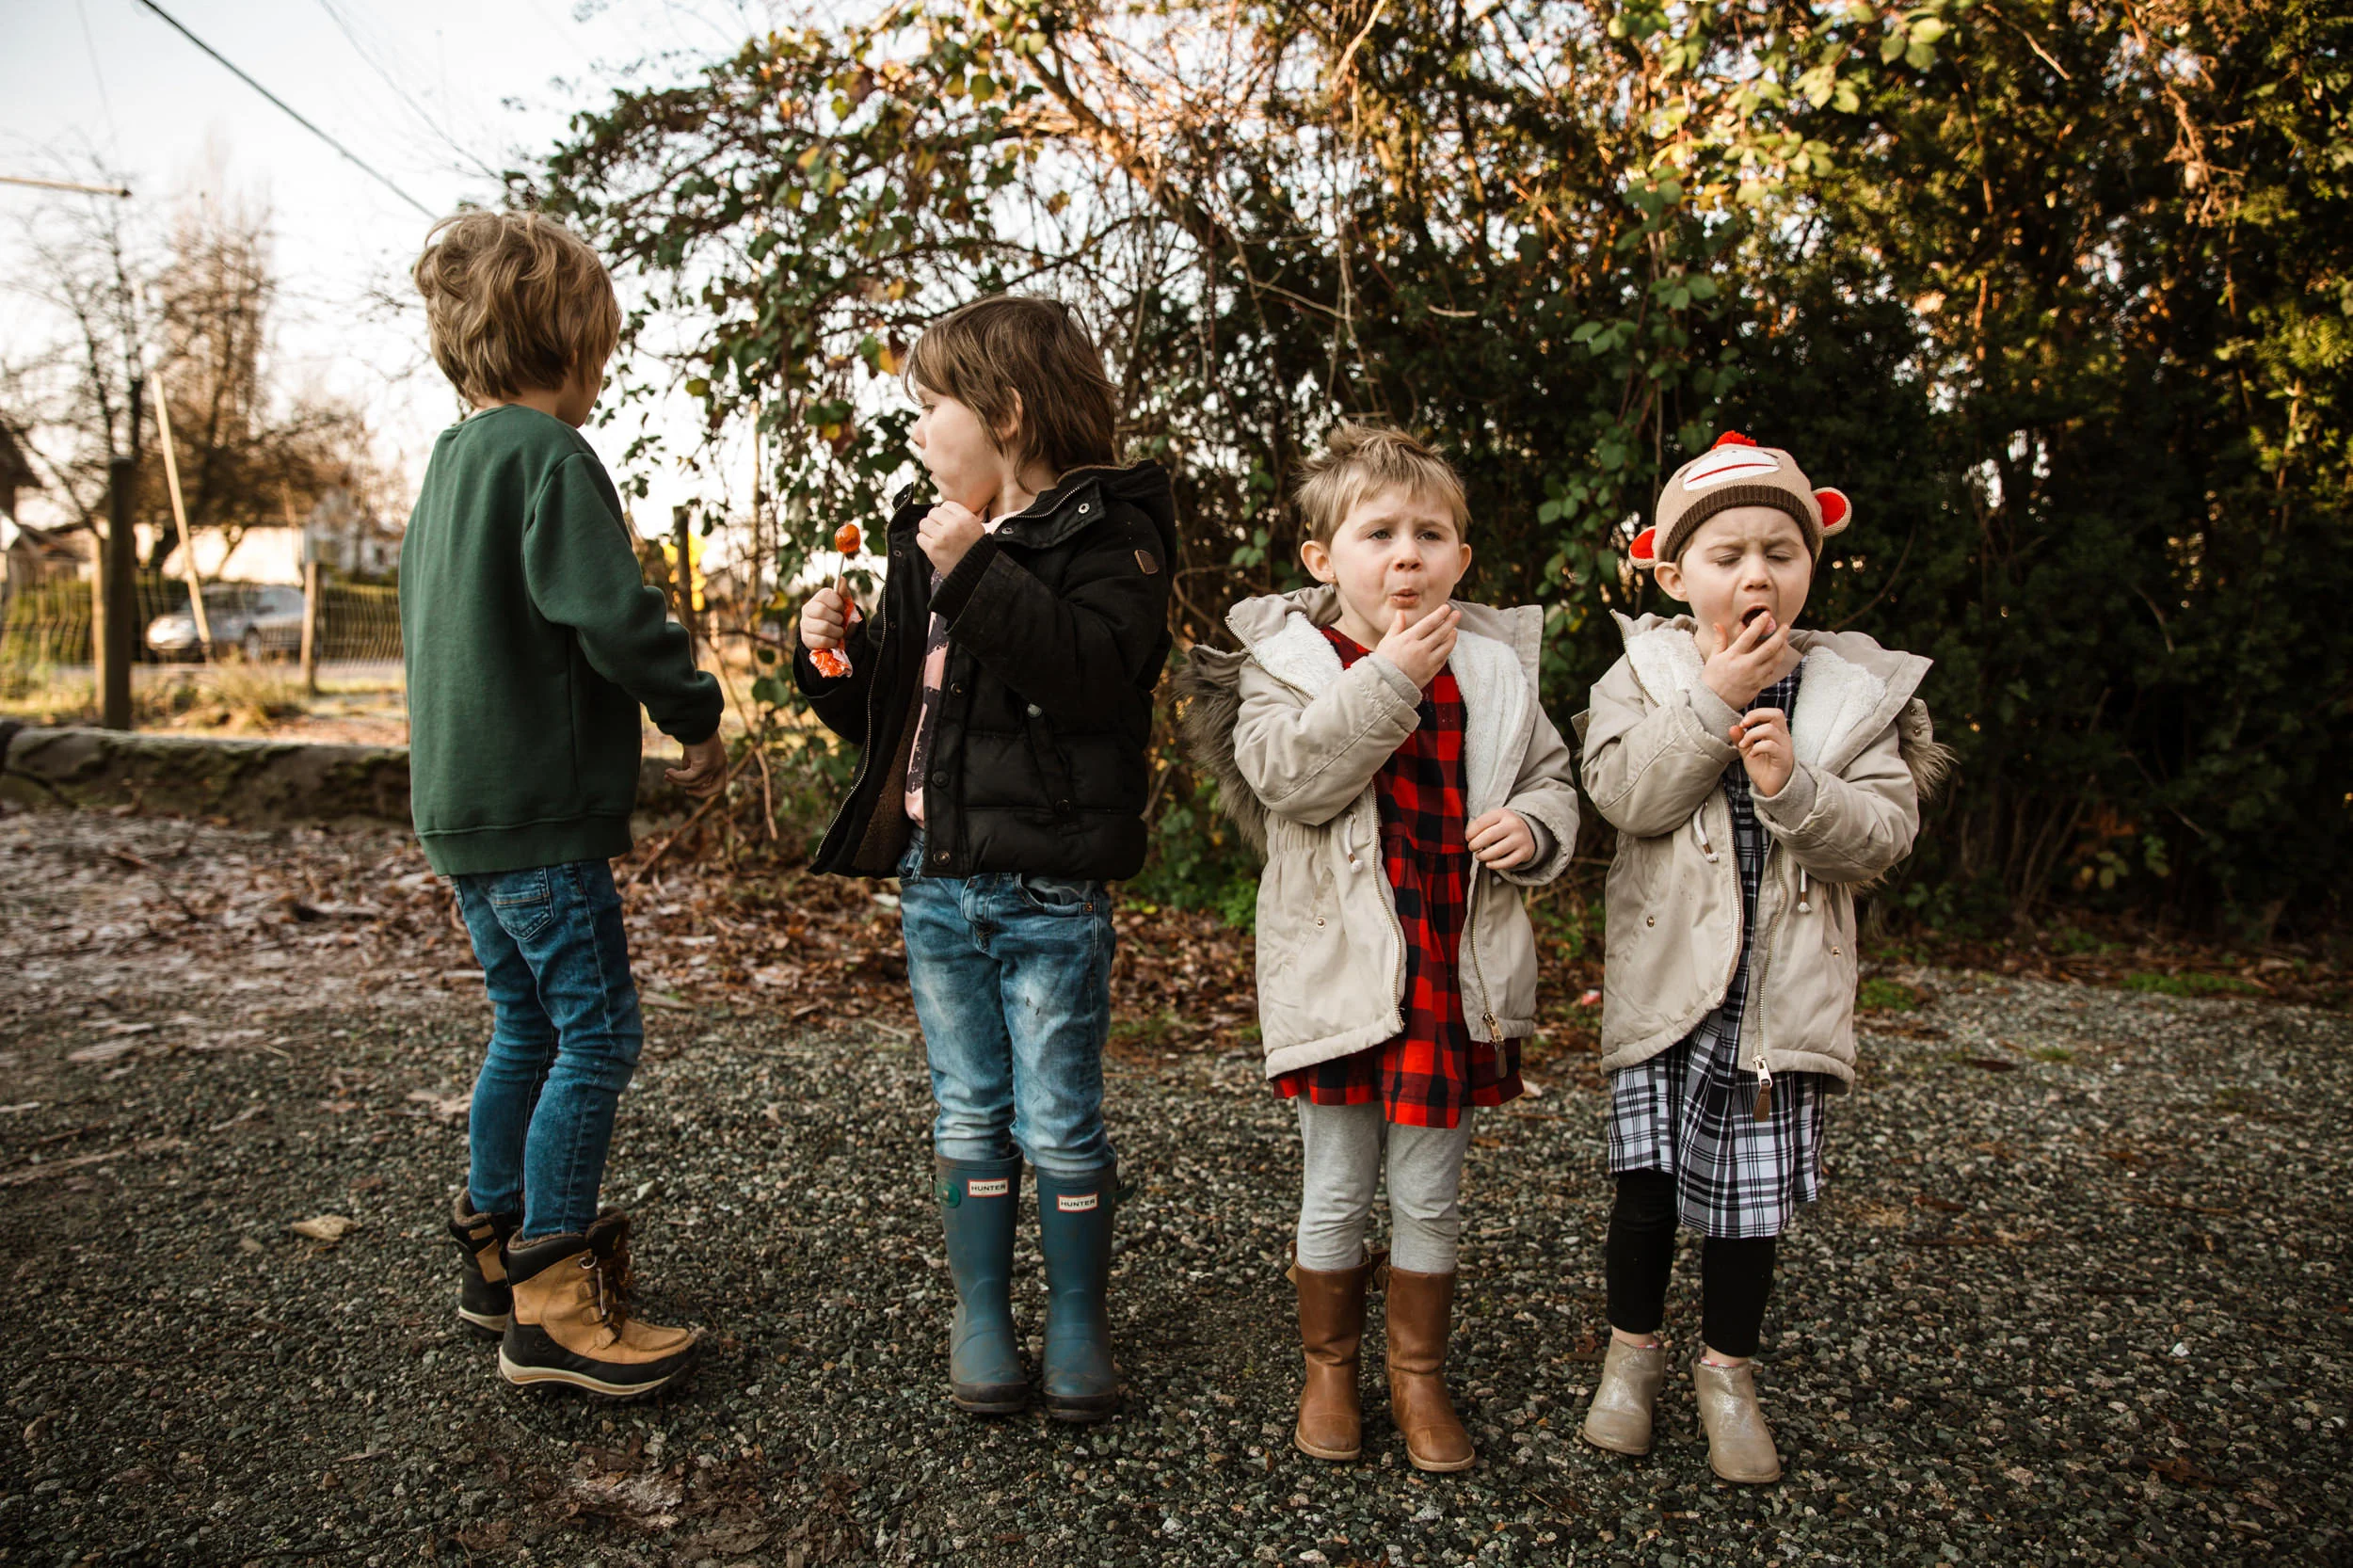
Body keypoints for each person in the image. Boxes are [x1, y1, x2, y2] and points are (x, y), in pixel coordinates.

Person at [795, 295, 1176, 1421]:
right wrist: (832, 663)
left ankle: (1076, 1323)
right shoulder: (934, 539)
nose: (916, 430)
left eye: (931, 406)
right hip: (937, 878)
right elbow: (897, 712)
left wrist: (973, 569)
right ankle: (981, 1315)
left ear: (1005, 412)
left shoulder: (1114, 535)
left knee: (1058, 1114)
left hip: (1050, 888)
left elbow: (1092, 676)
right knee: (967, 1107)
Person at [1182, 424, 1580, 1471]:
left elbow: (1552, 776)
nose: (1407, 555)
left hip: (1448, 965)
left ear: (1462, 558)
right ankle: (1329, 1370)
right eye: (1379, 534)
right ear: (1323, 559)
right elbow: (1290, 778)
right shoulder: (1289, 663)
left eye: (1429, 534)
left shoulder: (1492, 667)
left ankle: (1418, 1375)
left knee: (1429, 1189)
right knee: (1335, 1182)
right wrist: (1390, 678)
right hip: (1340, 970)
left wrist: (1537, 826)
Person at [1574, 432, 1952, 1481]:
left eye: (1780, 553)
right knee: (1646, 1189)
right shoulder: (1643, 673)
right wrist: (1711, 701)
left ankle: (1726, 1376)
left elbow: (1883, 837)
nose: (1755, 576)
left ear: (1812, 564)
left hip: (1776, 1002)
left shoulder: (1849, 689)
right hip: (1669, 985)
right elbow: (1624, 797)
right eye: (1727, 554)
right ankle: (1630, 1361)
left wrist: (1795, 788)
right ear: (1672, 574)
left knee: (1746, 1211)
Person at [405, 210, 727, 1399]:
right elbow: (611, 614)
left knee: (522, 1025)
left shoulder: (449, 464)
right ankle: (553, 1304)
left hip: (465, 814)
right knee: (595, 1035)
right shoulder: (548, 457)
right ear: (574, 345)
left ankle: (493, 1255)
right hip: (540, 813)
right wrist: (693, 711)